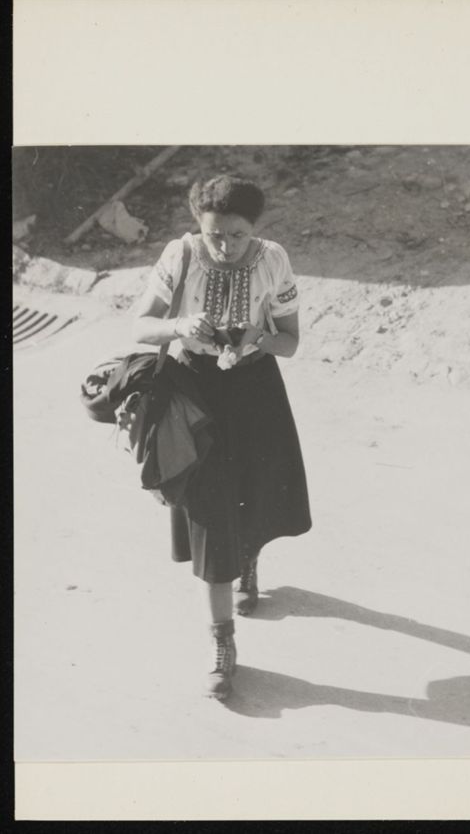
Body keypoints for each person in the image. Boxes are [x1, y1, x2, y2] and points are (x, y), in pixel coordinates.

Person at [132, 175, 312, 700]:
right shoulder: (181, 255)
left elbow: (291, 341)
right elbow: (140, 325)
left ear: (254, 229)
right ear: (199, 226)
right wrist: (180, 326)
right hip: (192, 394)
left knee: (255, 489)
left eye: (237, 235)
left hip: (255, 391)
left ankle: (248, 561)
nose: (226, 246)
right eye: (215, 235)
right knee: (209, 515)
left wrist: (258, 337)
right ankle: (222, 645)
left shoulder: (273, 260)